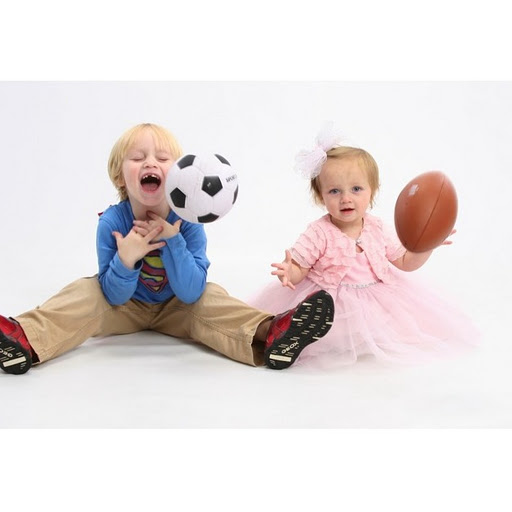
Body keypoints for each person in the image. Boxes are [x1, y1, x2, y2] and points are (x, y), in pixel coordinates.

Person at [0, 123, 334, 375]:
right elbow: (112, 296)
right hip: (123, 307)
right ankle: (23, 339)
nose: (151, 163)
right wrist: (127, 259)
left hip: (178, 306)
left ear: (178, 176)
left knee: (211, 297)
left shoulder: (189, 220)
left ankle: (272, 334)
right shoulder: (112, 223)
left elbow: (191, 292)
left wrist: (174, 240)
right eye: (137, 158)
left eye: (162, 158)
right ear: (120, 177)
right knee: (85, 292)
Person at [248, 124, 479, 367]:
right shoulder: (319, 232)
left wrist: (426, 244)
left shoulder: (377, 227)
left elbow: (405, 262)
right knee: (330, 330)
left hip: (376, 299)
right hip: (330, 302)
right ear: (320, 196)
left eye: (356, 189)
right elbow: (300, 267)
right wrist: (289, 271)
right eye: (334, 191)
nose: (346, 198)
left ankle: (362, 339)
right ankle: (302, 336)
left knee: (395, 327)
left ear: (372, 191)